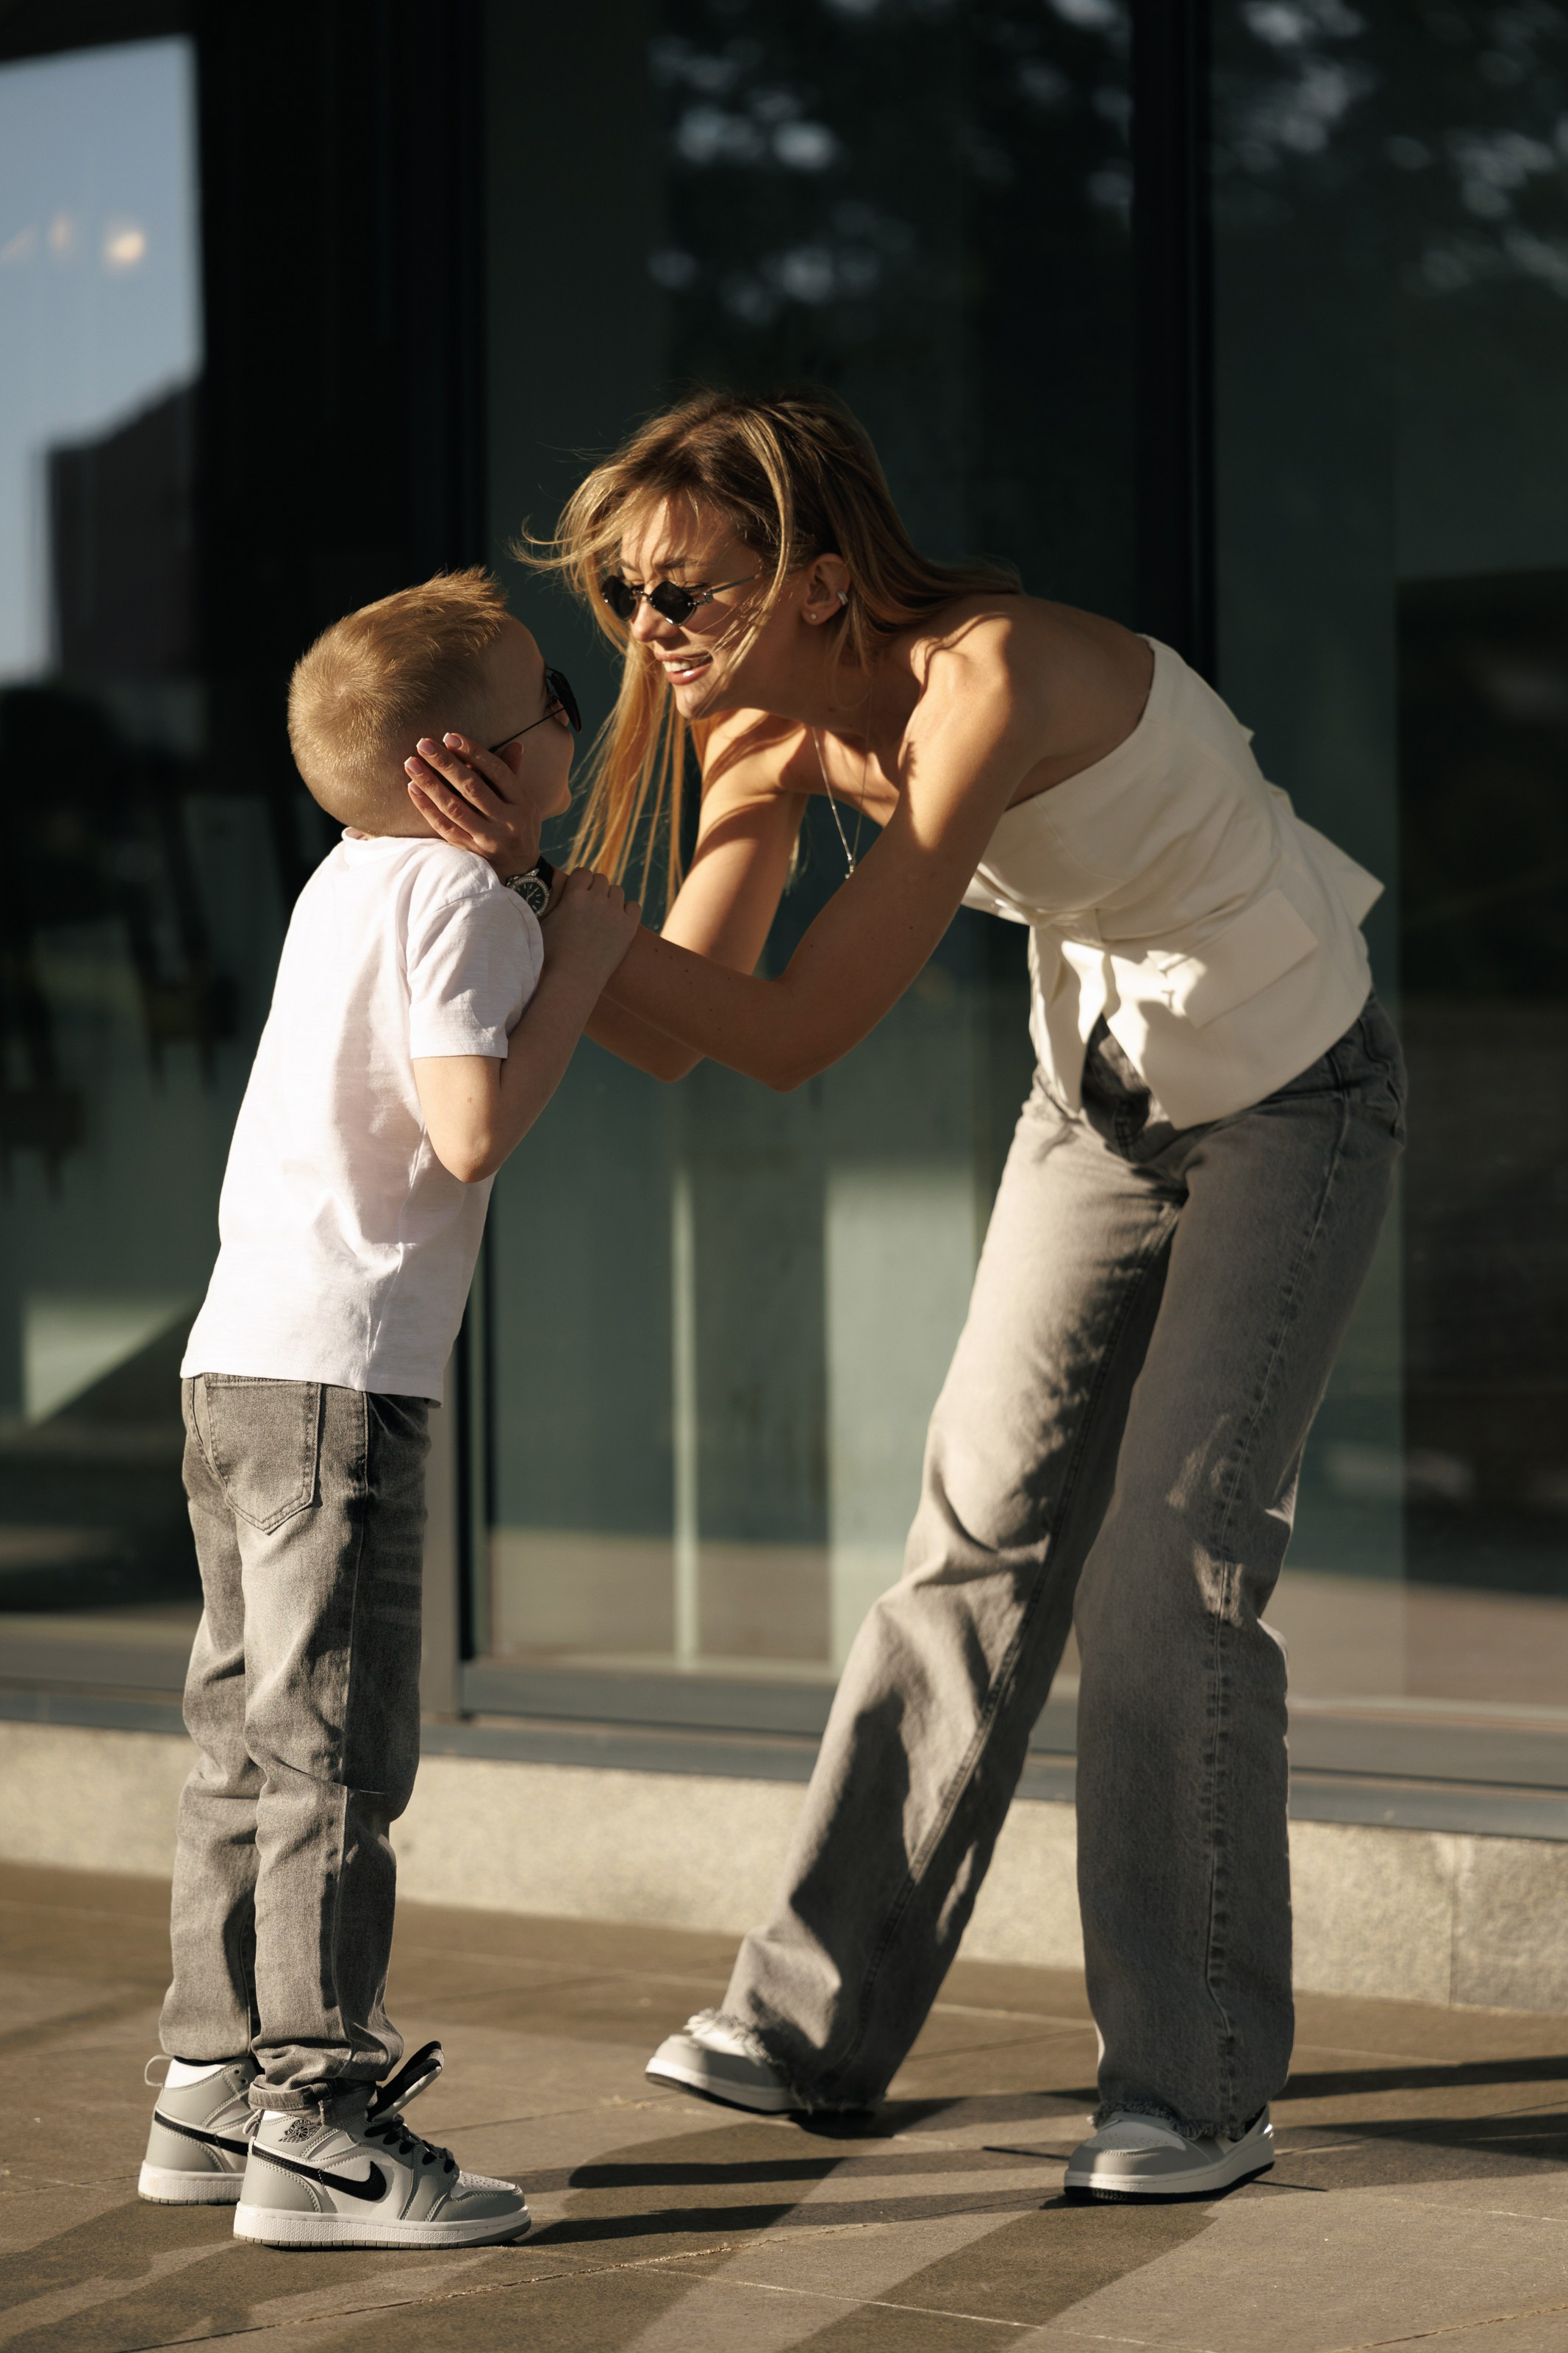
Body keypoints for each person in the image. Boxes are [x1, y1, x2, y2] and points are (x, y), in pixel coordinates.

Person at [406, 392, 1406, 2203]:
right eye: (629, 600)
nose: (649, 636)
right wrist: (523, 887)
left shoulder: (989, 677)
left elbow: (791, 1039)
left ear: (817, 577)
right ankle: (807, 2028)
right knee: (970, 1539)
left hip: (1293, 1088)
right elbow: (675, 1024)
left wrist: (575, 911)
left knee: (1160, 1566)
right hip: (1096, 1101)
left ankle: (1195, 2088)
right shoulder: (761, 739)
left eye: (684, 592)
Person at [139, 569, 639, 2249]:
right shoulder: (470, 903)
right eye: (551, 695)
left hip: (238, 1358)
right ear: (465, 757)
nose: (573, 712)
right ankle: (320, 2128)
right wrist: (580, 948)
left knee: (246, 1738)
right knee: (337, 1756)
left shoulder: (355, 876)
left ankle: (207, 2087)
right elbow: (470, 1127)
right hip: (344, 1379)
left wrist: (532, 897)